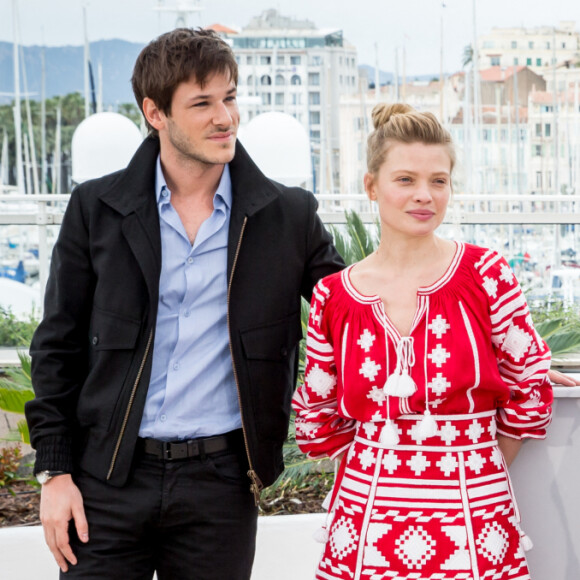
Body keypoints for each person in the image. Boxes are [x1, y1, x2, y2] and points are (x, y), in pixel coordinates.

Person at [25, 28, 344, 579]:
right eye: (202, 103)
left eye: (230, 97)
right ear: (156, 113)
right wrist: (55, 474)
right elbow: (57, 346)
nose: (225, 117)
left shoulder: (287, 215)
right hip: (106, 480)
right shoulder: (96, 209)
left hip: (221, 485)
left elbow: (355, 310)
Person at [292, 103, 553, 579]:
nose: (424, 196)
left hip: (474, 511)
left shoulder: (487, 274)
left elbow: (529, 385)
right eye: (406, 179)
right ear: (371, 187)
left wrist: (474, 462)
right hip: (365, 517)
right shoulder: (334, 295)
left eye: (439, 181)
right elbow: (317, 412)